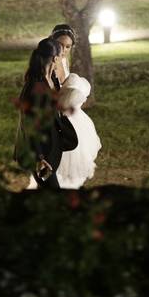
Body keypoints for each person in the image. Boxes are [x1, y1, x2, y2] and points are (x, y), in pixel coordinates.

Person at [36, 24, 102, 189]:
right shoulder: (46, 64)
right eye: (60, 45)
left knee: (67, 170)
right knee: (51, 166)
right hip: (52, 118)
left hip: (70, 119)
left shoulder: (63, 60)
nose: (63, 50)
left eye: (67, 46)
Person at [13, 38, 78, 189]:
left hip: (51, 147)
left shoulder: (52, 79)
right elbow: (29, 124)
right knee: (53, 195)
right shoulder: (36, 87)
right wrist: (40, 158)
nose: (63, 58)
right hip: (38, 152)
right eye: (61, 55)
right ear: (55, 58)